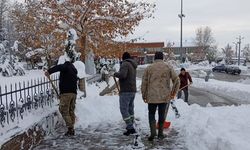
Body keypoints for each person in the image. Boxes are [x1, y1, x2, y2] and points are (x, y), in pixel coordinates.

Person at [141, 52, 180, 141]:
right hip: (164, 96)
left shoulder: (149, 68)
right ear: (162, 58)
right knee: (161, 114)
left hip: (152, 96)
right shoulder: (168, 67)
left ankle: (153, 132)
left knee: (151, 114)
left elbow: (144, 83)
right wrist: (173, 92)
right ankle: (160, 134)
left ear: (154, 58)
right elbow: (177, 80)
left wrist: (144, 95)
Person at [44, 56, 78, 136]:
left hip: (66, 93)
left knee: (63, 110)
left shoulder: (66, 66)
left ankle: (70, 128)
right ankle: (72, 127)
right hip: (74, 93)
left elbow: (59, 67)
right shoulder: (74, 70)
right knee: (71, 110)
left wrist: (49, 72)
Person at [114, 52, 137, 136]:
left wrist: (115, 74)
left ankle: (130, 127)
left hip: (126, 90)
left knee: (124, 109)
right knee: (130, 108)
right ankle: (131, 125)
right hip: (132, 90)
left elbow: (123, 75)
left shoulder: (125, 64)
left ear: (123, 58)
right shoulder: (132, 65)